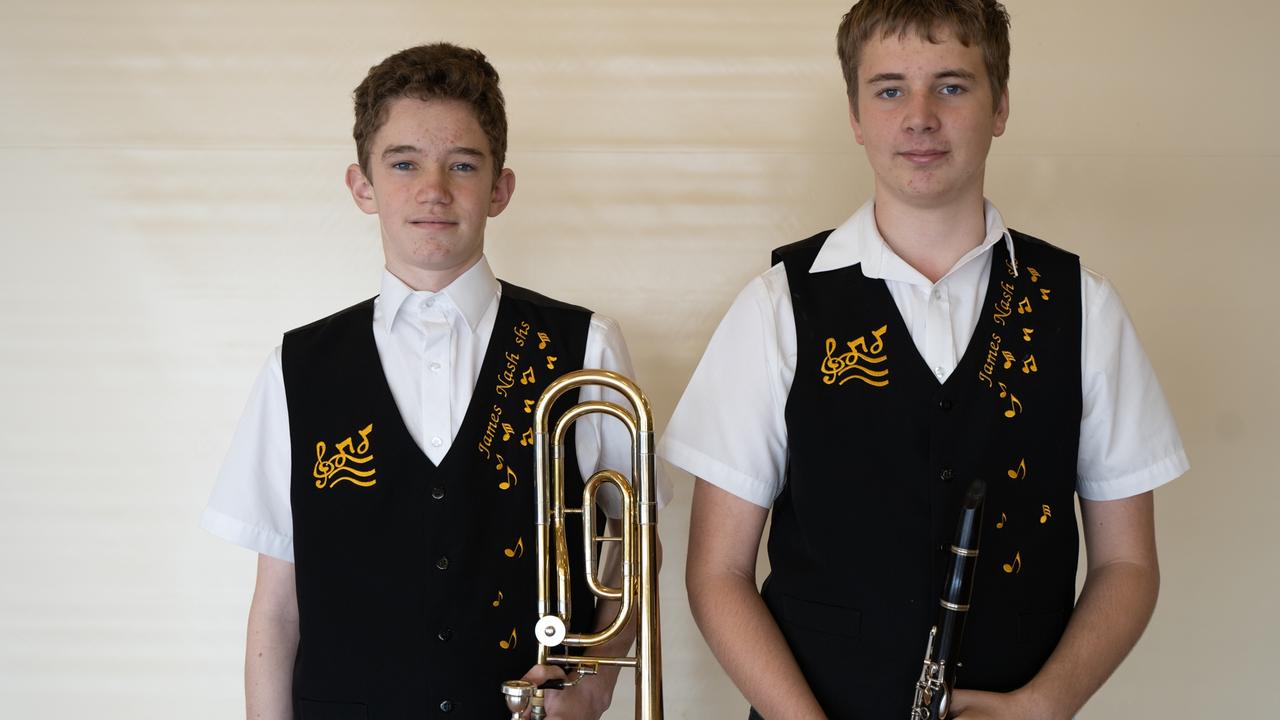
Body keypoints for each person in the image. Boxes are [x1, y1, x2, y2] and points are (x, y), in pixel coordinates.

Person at [660, 1, 1188, 718]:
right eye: (888, 90)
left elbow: (1127, 564)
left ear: (999, 105)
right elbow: (716, 573)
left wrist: (1044, 705)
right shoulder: (777, 306)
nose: (918, 117)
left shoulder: (1082, 307)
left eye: (952, 85)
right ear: (854, 116)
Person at [201, 42, 669, 719]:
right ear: (362, 187)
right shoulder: (298, 366)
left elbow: (632, 541)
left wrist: (594, 685)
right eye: (403, 164)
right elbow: (275, 608)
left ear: (500, 188)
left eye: (463, 165)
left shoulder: (584, 343)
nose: (433, 190)